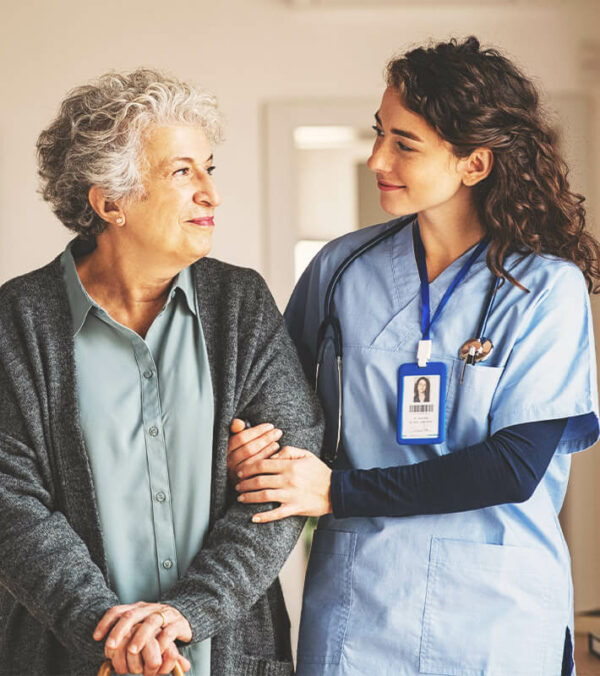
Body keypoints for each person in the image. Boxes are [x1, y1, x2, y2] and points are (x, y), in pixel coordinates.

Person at [226, 37, 600, 675]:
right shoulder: (340, 269)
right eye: (379, 134)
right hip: (359, 605)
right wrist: (254, 446)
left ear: (474, 164)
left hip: (495, 613)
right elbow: (278, 408)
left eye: (405, 143)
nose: (375, 158)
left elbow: (512, 468)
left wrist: (338, 493)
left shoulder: (544, 288)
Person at [0, 68, 323, 676]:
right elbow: (10, 502)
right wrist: (111, 634)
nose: (210, 193)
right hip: (63, 657)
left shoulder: (240, 304)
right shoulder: (18, 320)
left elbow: (286, 475)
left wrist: (189, 613)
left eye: (209, 168)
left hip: (225, 655)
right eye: (182, 172)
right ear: (110, 201)